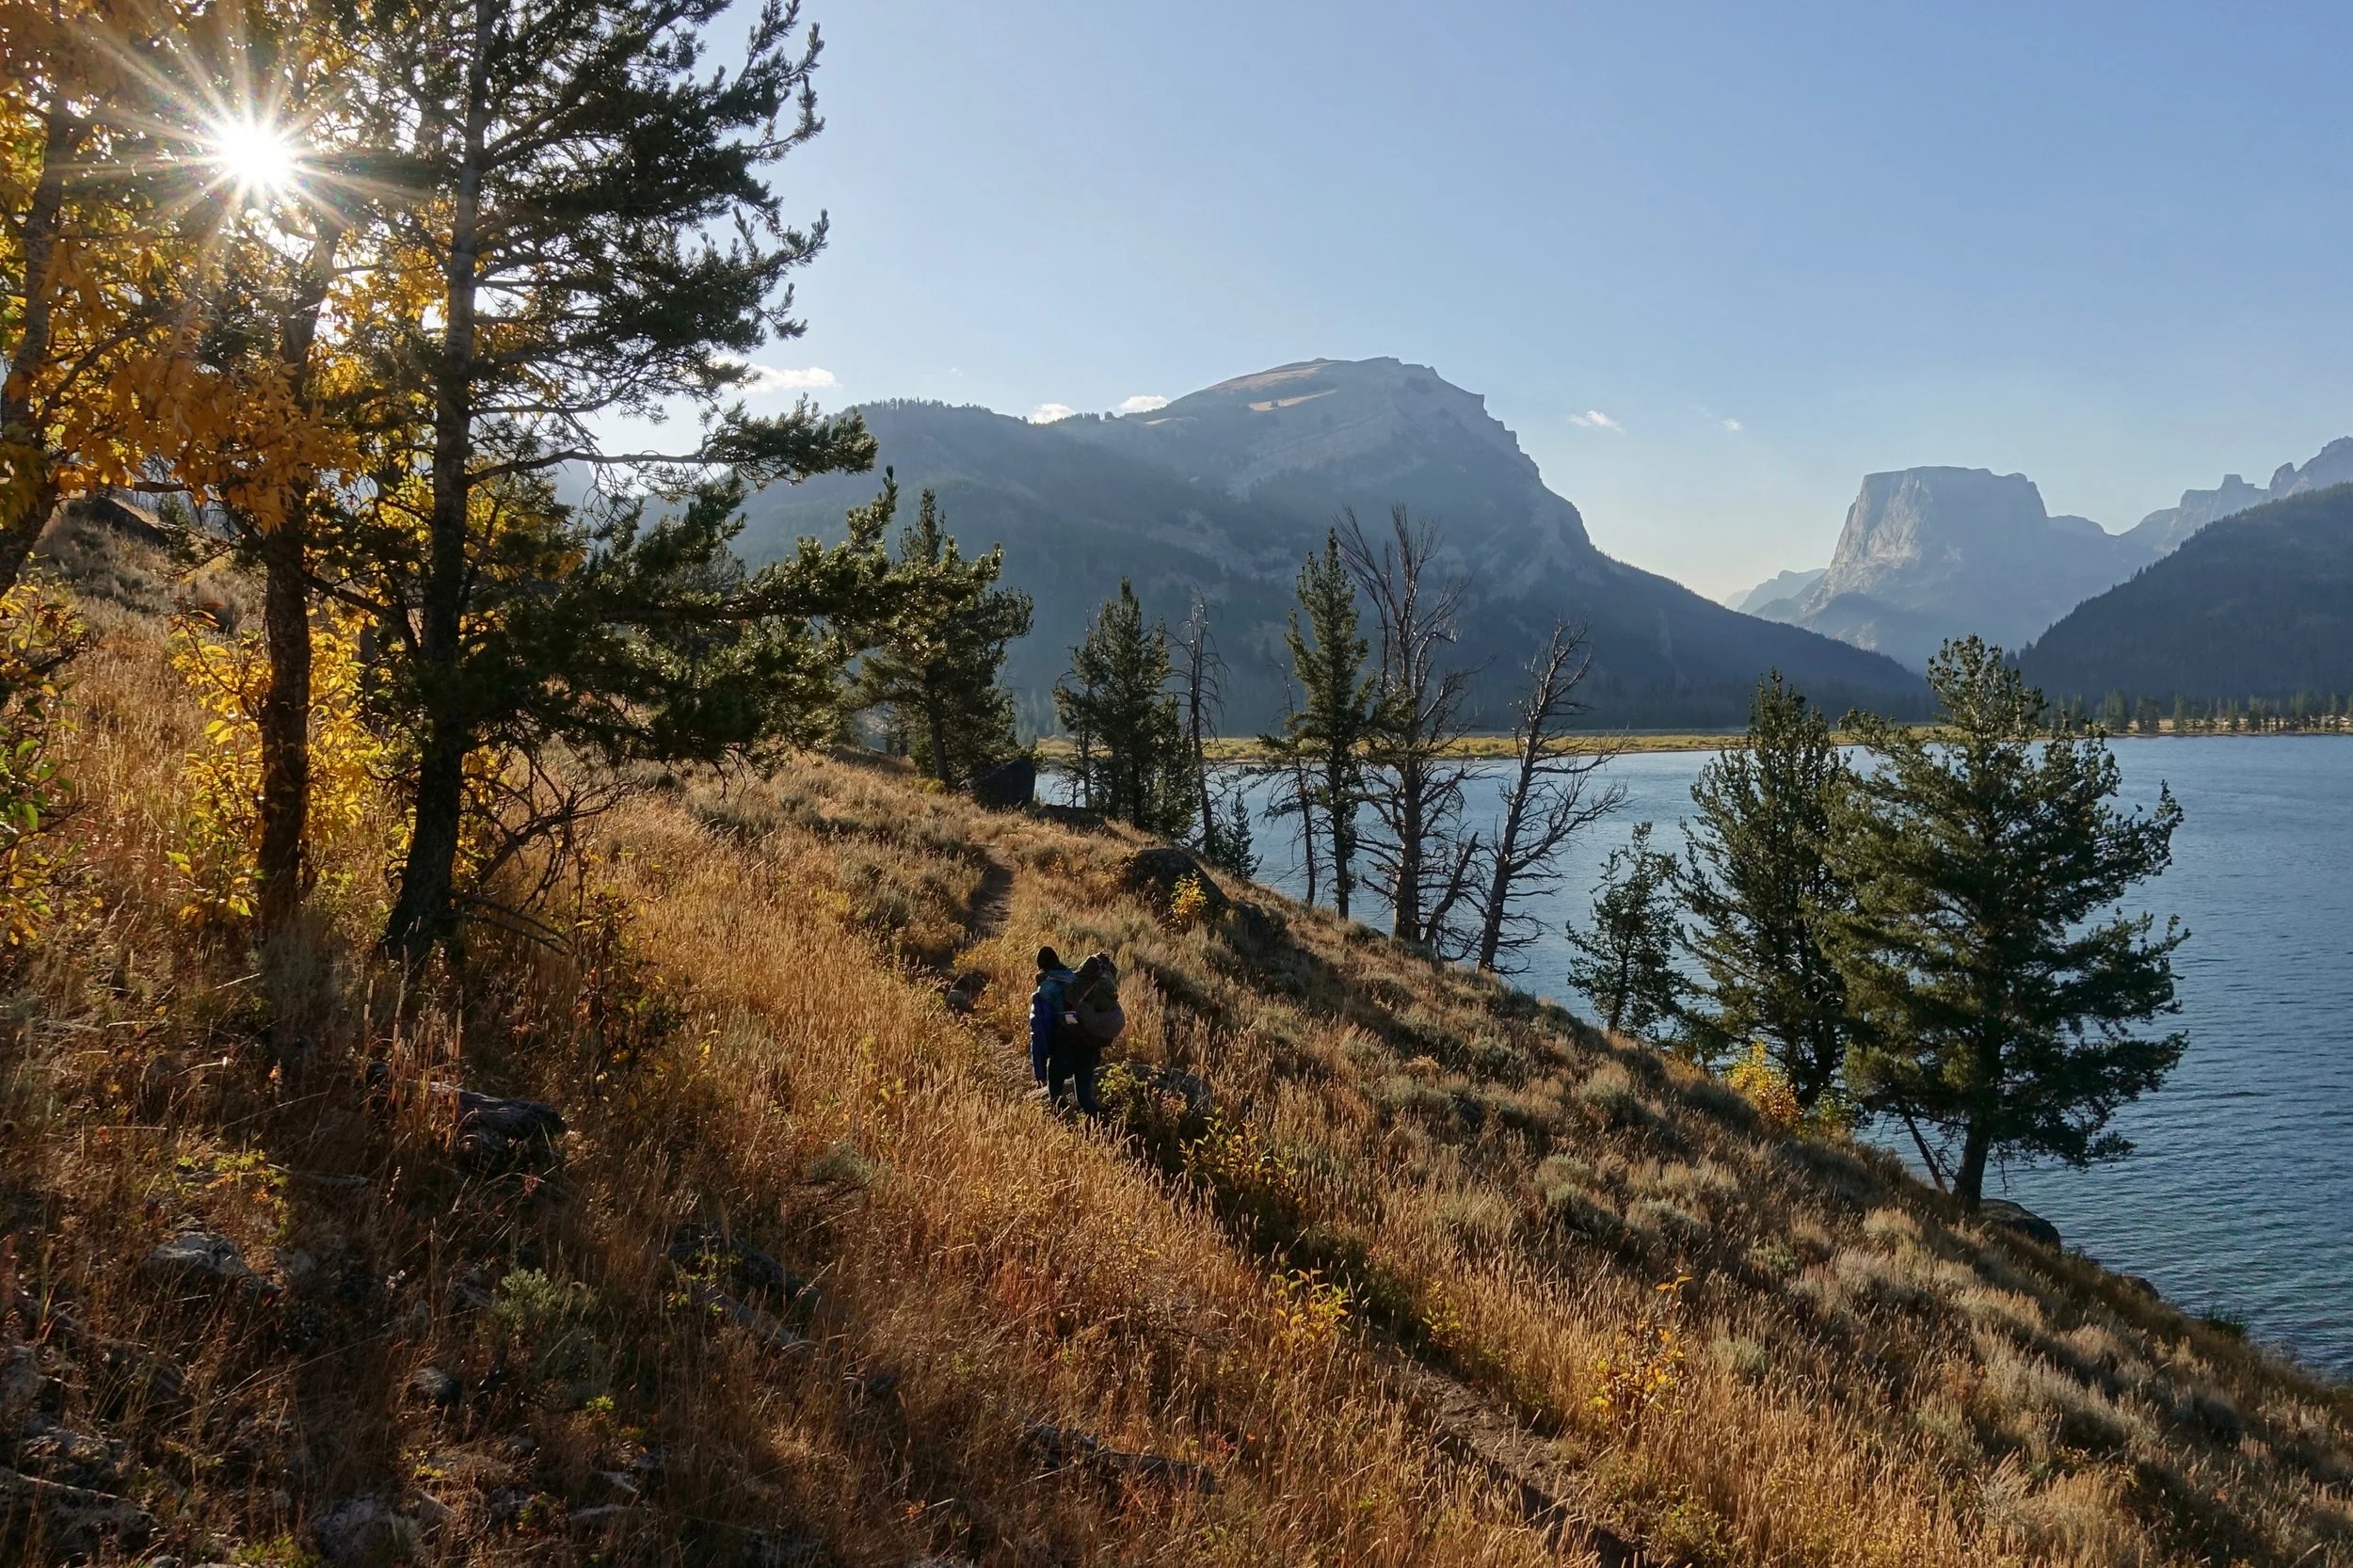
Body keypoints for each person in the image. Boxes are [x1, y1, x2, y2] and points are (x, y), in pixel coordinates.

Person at [1029, 946, 1078, 1090]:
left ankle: (1045, 1085)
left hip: (1060, 1037)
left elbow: (1038, 1029)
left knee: (1054, 1089)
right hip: (1079, 1033)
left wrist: (1040, 1074)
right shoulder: (1074, 978)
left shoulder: (1046, 988)